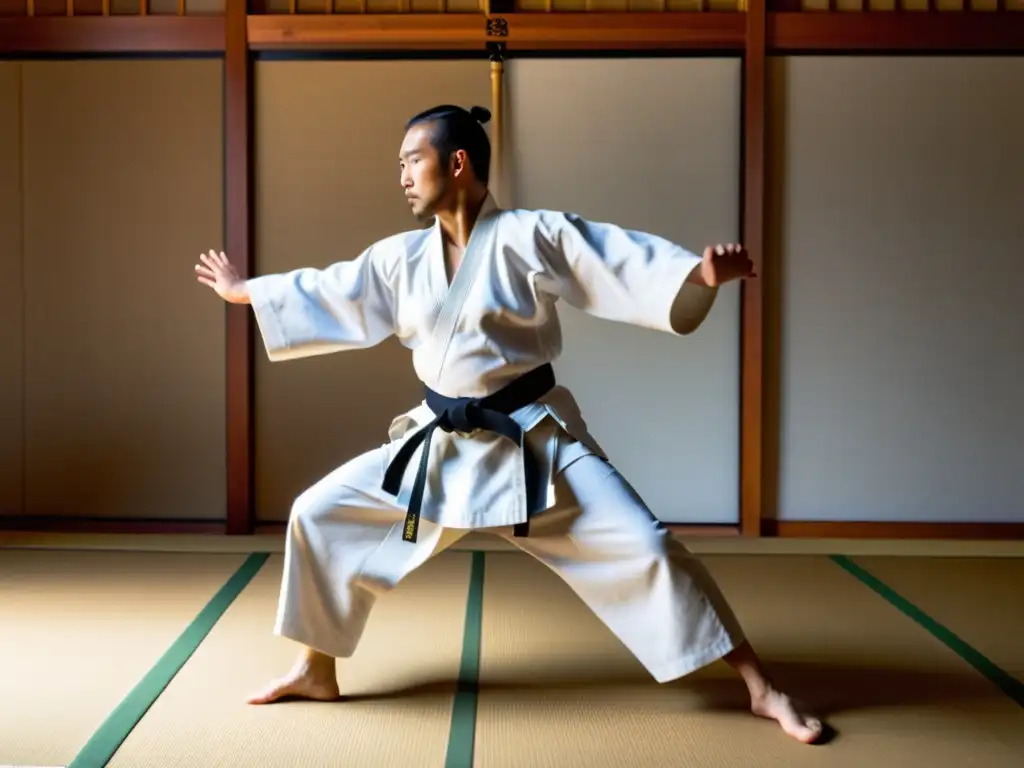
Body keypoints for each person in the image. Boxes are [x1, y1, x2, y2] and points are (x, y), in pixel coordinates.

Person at [194, 104, 823, 744]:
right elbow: (334, 290)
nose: (403, 176)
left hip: (532, 442)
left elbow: (614, 259)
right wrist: (248, 292)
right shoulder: (400, 258)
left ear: (457, 161)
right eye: (401, 165)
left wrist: (696, 277)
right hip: (438, 446)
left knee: (650, 546)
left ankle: (760, 688)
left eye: (413, 160)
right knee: (318, 512)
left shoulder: (531, 235)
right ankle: (315, 668)